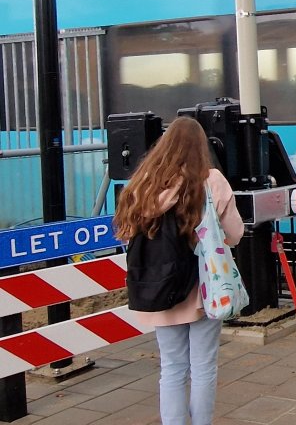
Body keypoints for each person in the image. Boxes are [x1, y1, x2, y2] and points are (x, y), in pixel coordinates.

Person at [114, 116, 244, 425]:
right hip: (200, 289)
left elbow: (125, 235)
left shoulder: (142, 184)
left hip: (158, 289)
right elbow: (235, 232)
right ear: (201, 148)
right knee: (202, 367)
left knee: (171, 368)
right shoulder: (210, 180)